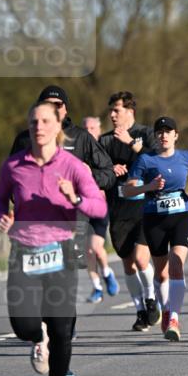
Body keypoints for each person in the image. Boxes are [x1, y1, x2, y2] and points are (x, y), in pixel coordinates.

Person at [0, 102, 107, 376]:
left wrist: (75, 199)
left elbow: (99, 207)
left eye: (45, 121)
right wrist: (3, 216)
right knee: (23, 324)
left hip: (60, 254)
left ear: (58, 126)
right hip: (24, 252)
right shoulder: (14, 166)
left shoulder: (72, 166)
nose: (39, 127)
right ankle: (35, 337)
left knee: (60, 329)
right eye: (33, 122)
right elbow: (0, 198)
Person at [123, 117, 188, 341]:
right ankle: (166, 308)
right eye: (159, 132)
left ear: (176, 135)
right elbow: (127, 190)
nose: (164, 135)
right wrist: (148, 186)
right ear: (156, 136)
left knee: (176, 265)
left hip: (181, 217)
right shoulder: (146, 159)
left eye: (168, 131)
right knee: (161, 272)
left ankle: (174, 318)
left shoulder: (186, 157)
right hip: (154, 219)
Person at [99, 92, 159, 331]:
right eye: (111, 111)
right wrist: (110, 168)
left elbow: (157, 162)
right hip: (118, 209)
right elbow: (96, 171)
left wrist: (131, 145)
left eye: (117, 110)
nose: (112, 115)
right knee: (127, 264)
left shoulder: (146, 134)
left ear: (130, 112)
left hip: (144, 207)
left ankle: (152, 299)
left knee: (141, 258)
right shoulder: (103, 141)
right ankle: (140, 311)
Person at [81, 115, 119, 303]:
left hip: (99, 205)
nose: (88, 132)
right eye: (85, 128)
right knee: (87, 251)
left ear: (99, 129)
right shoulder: (77, 152)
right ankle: (96, 288)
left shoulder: (104, 151)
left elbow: (110, 173)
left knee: (95, 247)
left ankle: (106, 272)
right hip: (79, 206)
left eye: (92, 128)